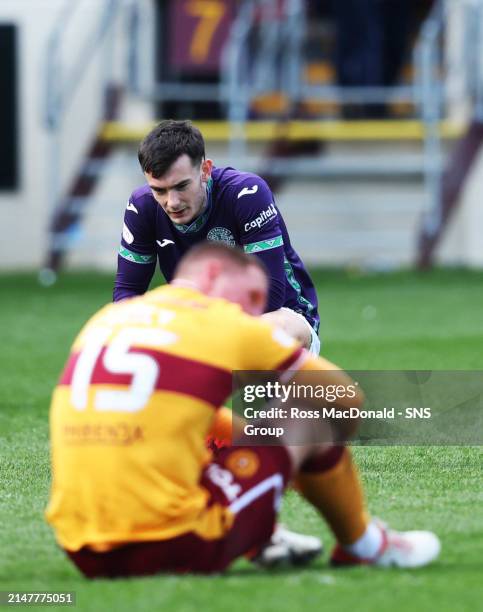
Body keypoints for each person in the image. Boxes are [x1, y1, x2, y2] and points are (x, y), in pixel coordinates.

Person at [46, 243, 440, 578]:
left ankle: (262, 532)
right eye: (252, 297)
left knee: (199, 440)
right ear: (214, 274)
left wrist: (251, 444)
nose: (256, 311)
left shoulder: (107, 319)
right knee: (309, 415)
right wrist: (287, 456)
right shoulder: (225, 324)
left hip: (81, 549)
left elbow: (171, 419)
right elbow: (347, 400)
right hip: (169, 544)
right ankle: (365, 544)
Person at [113, 119, 320, 355]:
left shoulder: (247, 193)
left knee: (270, 328)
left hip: (280, 316)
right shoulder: (142, 206)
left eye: (181, 186)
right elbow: (126, 294)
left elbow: (268, 295)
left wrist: (191, 327)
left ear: (205, 170)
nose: (172, 202)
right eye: (159, 190)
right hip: (199, 326)